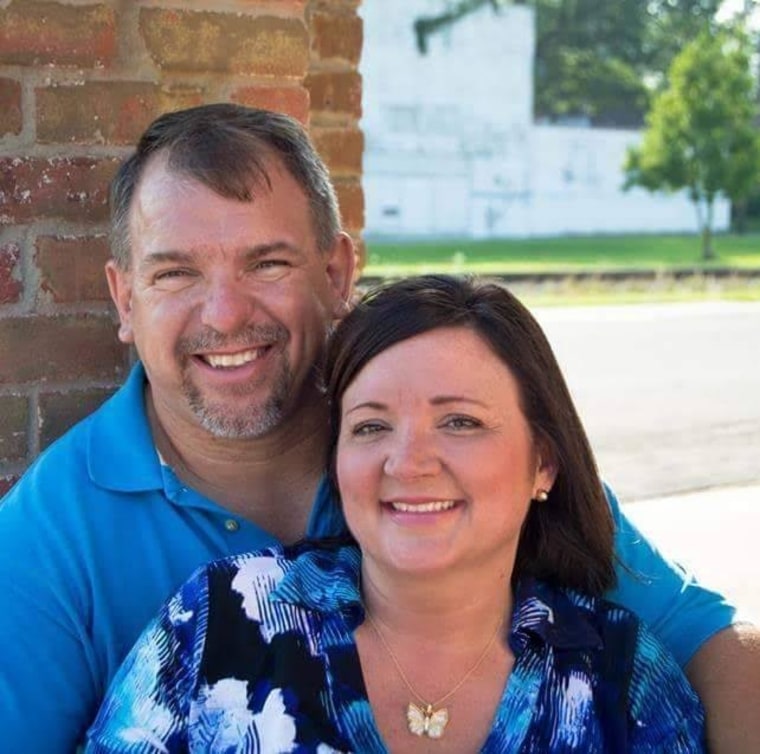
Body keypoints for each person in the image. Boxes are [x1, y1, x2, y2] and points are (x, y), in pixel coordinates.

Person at [0, 103, 756, 753]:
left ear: (336, 275)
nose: (225, 315)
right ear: (124, 299)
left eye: (266, 264)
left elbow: (710, 648)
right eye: (175, 273)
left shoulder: (430, 455)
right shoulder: (47, 540)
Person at [86, 275, 706, 752]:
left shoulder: (621, 679)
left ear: (543, 462)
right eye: (372, 425)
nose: (407, 463)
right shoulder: (219, 622)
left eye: (459, 422)